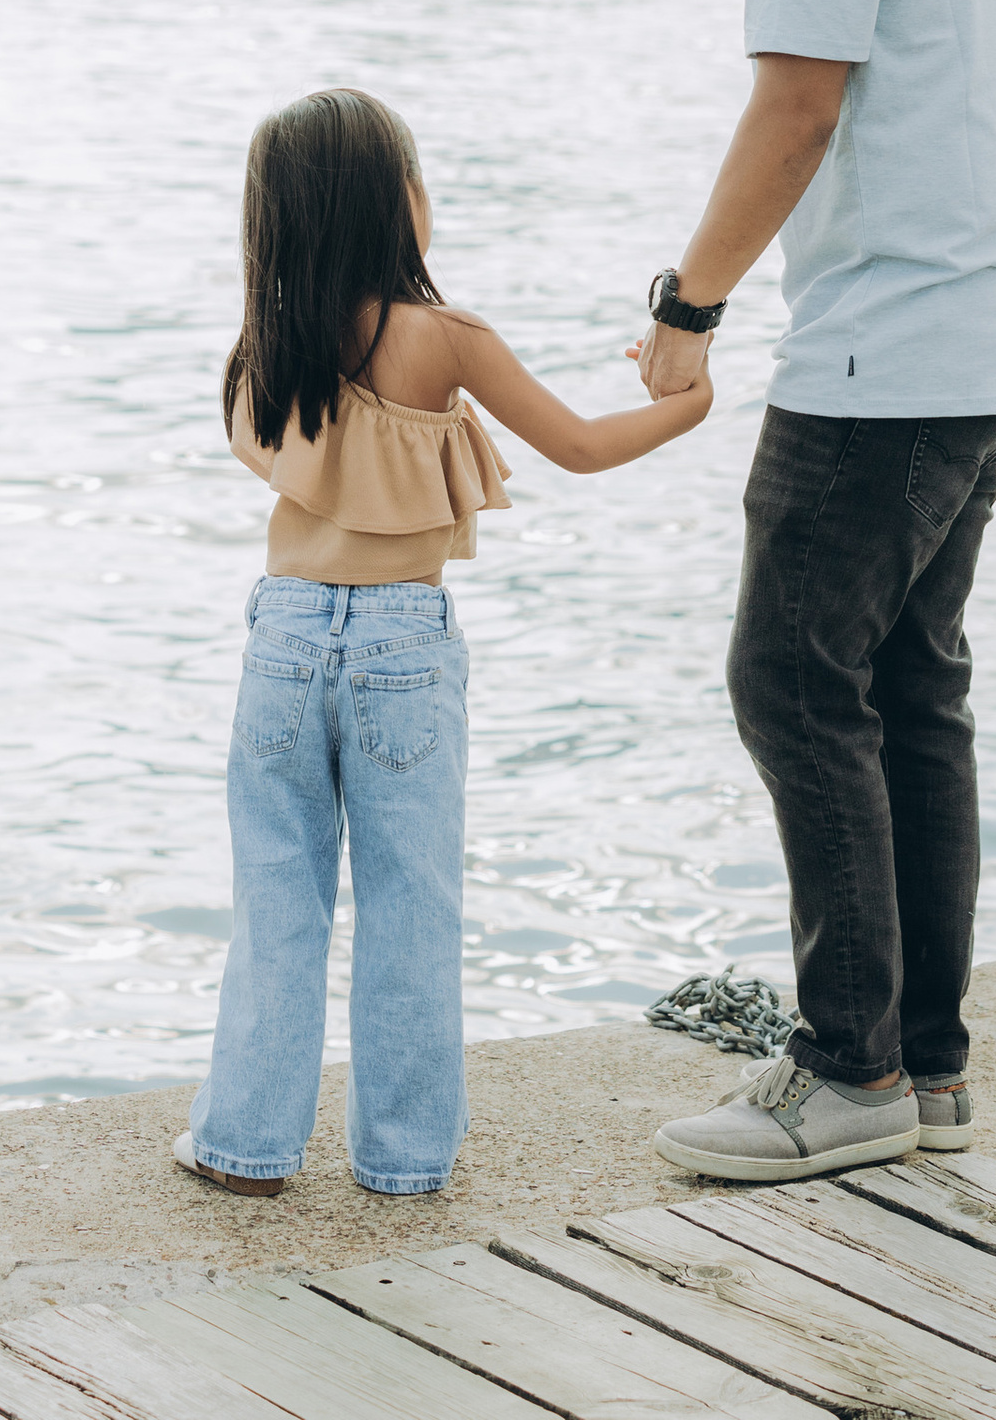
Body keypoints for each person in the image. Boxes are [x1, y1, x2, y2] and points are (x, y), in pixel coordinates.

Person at [638, 0, 996, 1186]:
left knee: (790, 680)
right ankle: (926, 1066)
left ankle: (850, 1067)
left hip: (890, 351)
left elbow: (799, 102)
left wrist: (689, 303)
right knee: (908, 692)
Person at [180, 87, 710, 1199]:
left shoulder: (262, 343)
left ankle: (244, 1146)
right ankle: (404, 1158)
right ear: (400, 205)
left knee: (275, 900)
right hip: (399, 648)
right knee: (411, 905)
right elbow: (579, 445)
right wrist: (690, 400)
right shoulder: (443, 337)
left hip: (278, 635)